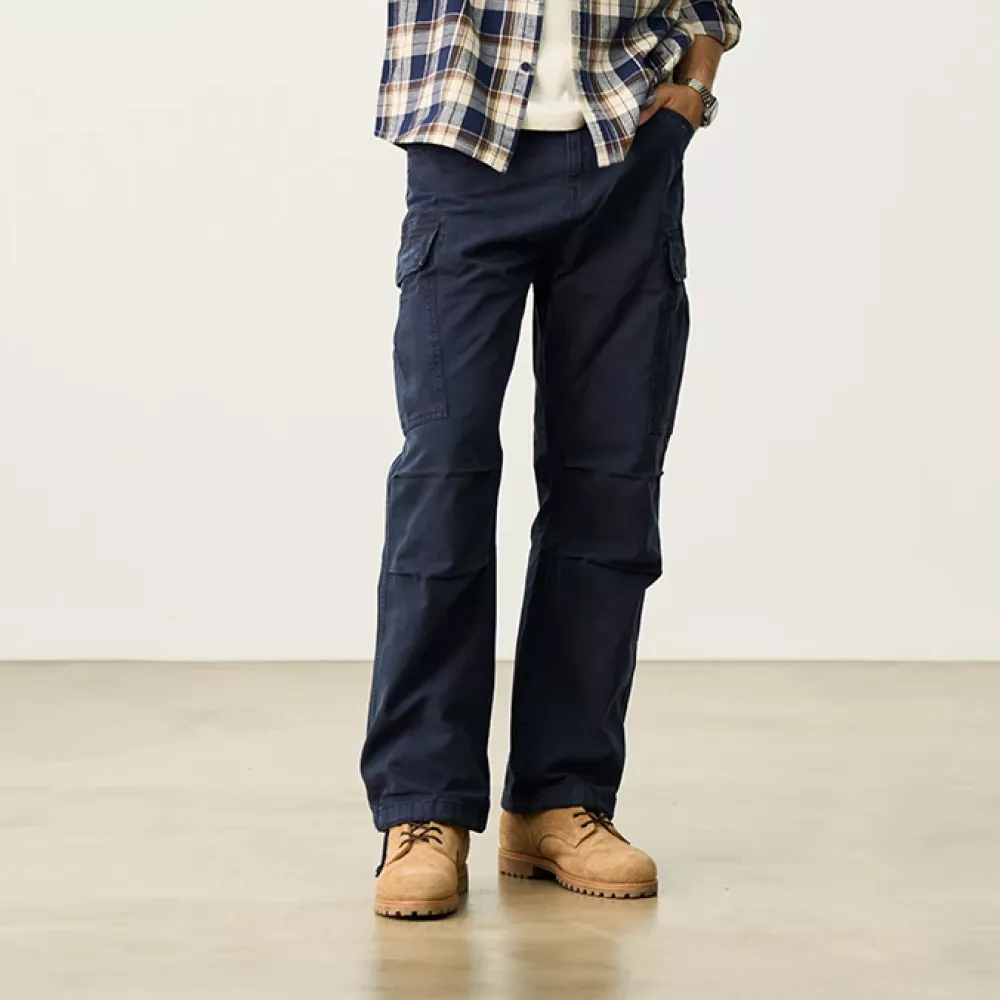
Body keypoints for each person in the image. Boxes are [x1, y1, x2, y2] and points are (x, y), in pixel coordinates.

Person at [361, 0, 741, 919]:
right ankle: (422, 809)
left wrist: (695, 86)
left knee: (608, 480)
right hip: (466, 147)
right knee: (444, 475)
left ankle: (560, 797)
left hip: (628, 150)